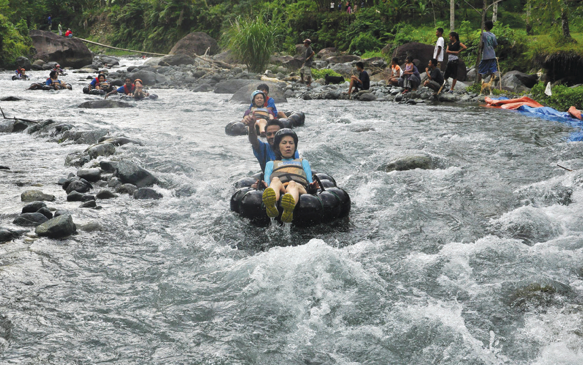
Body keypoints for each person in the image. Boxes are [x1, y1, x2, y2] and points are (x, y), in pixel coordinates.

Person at [261, 129, 319, 223]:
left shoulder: (302, 162)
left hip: (300, 188)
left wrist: (312, 187)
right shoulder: (271, 164)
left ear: (295, 146)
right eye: (284, 143)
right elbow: (267, 182)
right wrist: (264, 186)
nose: (288, 145)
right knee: (275, 180)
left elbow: (309, 181)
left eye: (291, 143)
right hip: (282, 188)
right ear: (278, 147)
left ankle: (288, 209)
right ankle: (271, 205)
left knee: (292, 184)